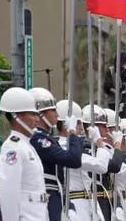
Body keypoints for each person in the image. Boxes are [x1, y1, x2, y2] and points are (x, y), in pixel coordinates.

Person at [28, 88, 83, 221]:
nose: (57, 114)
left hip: (56, 197)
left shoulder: (47, 139)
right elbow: (74, 160)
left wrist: (68, 205)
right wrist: (72, 132)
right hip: (46, 199)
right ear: (40, 114)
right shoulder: (38, 139)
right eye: (52, 110)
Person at [0, 87, 48, 221]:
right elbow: (9, 193)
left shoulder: (26, 145)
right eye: (32, 114)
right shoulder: (12, 147)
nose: (37, 119)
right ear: (17, 116)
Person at [55, 100, 110, 221]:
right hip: (76, 203)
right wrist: (99, 141)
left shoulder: (71, 146)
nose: (81, 126)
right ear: (66, 124)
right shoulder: (66, 148)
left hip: (86, 202)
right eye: (78, 122)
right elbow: (101, 166)